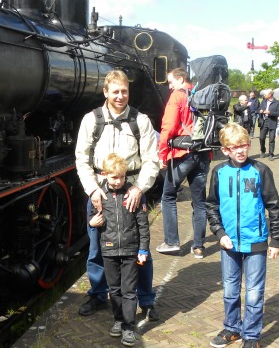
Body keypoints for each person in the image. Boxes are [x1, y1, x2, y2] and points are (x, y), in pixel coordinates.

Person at [75, 69, 160, 321]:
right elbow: (81, 159)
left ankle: (145, 298)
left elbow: (152, 161)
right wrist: (92, 189)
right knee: (97, 248)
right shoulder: (91, 120)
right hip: (101, 192)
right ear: (106, 92)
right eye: (115, 91)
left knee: (140, 248)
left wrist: (139, 188)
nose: (120, 96)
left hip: (132, 192)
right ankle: (99, 294)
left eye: (124, 91)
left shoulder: (141, 121)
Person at [206, 123, 279, 348]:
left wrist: (275, 239)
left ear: (249, 145)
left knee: (254, 293)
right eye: (234, 147)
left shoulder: (261, 170)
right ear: (225, 150)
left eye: (243, 145)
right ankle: (232, 329)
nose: (240, 150)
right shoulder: (219, 172)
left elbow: (274, 206)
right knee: (230, 290)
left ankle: (251, 336)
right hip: (228, 243)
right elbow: (211, 206)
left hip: (256, 242)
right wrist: (219, 233)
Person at [88, 153, 149, 347]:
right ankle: (118, 319)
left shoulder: (133, 194)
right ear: (104, 174)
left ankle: (129, 326)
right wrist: (92, 222)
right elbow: (91, 217)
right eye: (114, 177)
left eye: (122, 177)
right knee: (114, 289)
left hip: (130, 250)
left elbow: (143, 224)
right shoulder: (99, 196)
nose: (118, 181)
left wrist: (143, 249)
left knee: (129, 290)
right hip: (109, 250)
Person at [157, 68, 210, 259]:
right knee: (199, 202)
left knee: (168, 196)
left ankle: (171, 241)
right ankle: (198, 247)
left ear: (180, 79)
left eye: (171, 82)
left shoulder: (177, 97)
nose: (170, 87)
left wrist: (162, 154)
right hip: (203, 153)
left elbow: (168, 127)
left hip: (183, 154)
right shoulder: (201, 94)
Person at [258, 89, 279, 160]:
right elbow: (259, 109)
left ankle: (271, 154)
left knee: (271, 139)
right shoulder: (263, 101)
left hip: (272, 122)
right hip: (264, 122)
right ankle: (263, 150)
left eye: (265, 94)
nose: (264, 95)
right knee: (261, 138)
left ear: (270, 95)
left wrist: (269, 112)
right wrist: (260, 111)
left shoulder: (277, 102)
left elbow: (278, 113)